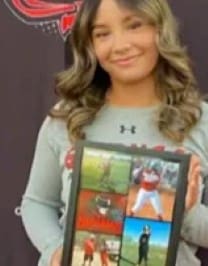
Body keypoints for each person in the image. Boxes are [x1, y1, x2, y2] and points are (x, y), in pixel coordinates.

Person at [20, 0, 208, 266]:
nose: (120, 45)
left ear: (160, 29)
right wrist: (55, 250)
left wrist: (185, 212)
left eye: (134, 25)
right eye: (102, 34)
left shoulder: (201, 122)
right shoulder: (67, 118)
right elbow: (37, 203)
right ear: (90, 45)